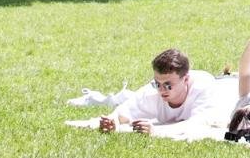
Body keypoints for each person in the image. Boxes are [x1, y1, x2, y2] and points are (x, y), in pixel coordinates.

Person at [97, 48, 227, 135]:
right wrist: (112, 120)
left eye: (168, 85)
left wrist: (155, 131)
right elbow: (125, 111)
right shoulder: (153, 90)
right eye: (157, 84)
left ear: (186, 79)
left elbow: (197, 125)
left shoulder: (203, 88)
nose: (161, 90)